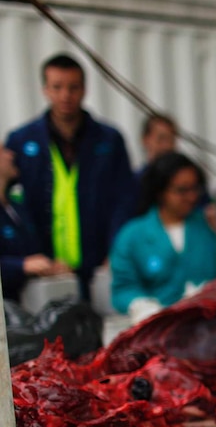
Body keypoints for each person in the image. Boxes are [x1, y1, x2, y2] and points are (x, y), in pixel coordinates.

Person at [4, 53, 138, 300]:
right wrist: (29, 260)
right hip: (47, 270)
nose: (65, 95)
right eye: (57, 87)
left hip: (99, 264)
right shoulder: (22, 141)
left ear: (84, 89)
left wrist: (116, 251)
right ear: (45, 89)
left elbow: (125, 200)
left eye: (73, 87)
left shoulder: (108, 140)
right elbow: (8, 203)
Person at [109, 151, 216, 316]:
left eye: (195, 188)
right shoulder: (133, 236)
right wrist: (141, 305)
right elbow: (123, 288)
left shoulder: (209, 226)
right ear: (160, 191)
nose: (191, 197)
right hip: (157, 329)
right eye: (182, 190)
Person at [0, 147, 71, 301]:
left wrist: (50, 265)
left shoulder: (17, 206)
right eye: (2, 151)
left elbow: (34, 251)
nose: (11, 154)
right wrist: (21, 266)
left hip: (30, 302)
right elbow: (24, 263)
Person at [137, 113, 177, 179]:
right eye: (161, 139)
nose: (167, 146)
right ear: (145, 140)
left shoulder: (185, 182)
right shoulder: (136, 183)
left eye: (171, 140)